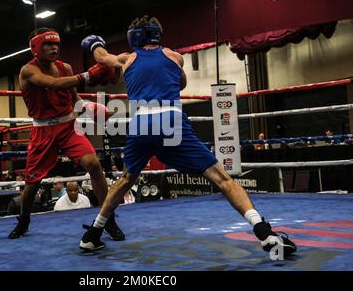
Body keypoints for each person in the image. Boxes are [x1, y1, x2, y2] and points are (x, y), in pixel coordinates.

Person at [78, 16, 296, 257]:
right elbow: (180, 83)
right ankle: (264, 232)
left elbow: (101, 58)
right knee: (222, 179)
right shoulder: (175, 56)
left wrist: (94, 42)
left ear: (135, 37)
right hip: (171, 122)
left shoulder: (128, 59)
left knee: (126, 179)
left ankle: (92, 236)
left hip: (141, 122)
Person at [7, 27, 124, 240]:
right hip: (42, 131)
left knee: (94, 165)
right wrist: (89, 74)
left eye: (56, 44)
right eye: (48, 44)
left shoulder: (66, 67)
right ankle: (24, 221)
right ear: (35, 47)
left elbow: (73, 98)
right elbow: (52, 84)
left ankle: (108, 219)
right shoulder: (28, 71)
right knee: (32, 184)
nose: (54, 48)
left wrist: (88, 106)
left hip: (69, 127)